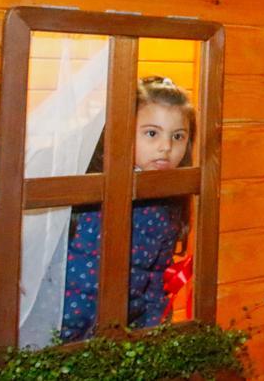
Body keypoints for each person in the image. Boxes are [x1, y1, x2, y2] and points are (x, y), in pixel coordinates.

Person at [60, 76, 194, 341]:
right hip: (66, 326)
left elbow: (156, 278)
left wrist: (154, 333)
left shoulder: (169, 200)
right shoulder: (93, 188)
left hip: (121, 333)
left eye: (177, 136)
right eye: (152, 133)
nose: (166, 147)